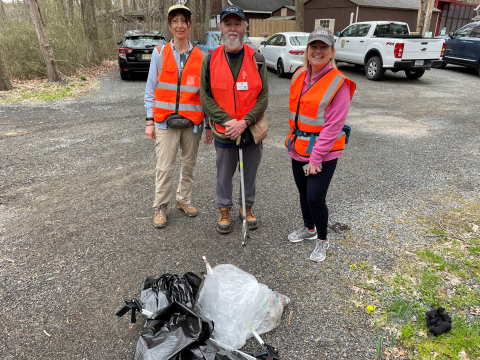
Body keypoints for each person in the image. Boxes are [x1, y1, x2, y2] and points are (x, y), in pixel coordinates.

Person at [285, 27, 356, 262]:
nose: (317, 51)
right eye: (313, 46)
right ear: (307, 50)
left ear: (332, 51)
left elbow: (333, 126)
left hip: (323, 152)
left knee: (315, 197)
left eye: (323, 47)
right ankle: (309, 229)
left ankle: (323, 239)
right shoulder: (299, 76)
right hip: (298, 146)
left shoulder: (339, 83)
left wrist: (315, 158)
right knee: (303, 192)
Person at [200, 5, 268, 234]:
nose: (232, 28)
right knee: (224, 175)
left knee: (249, 172)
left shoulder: (257, 58)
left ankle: (246, 208)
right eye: (228, 24)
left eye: (237, 24)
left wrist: (245, 121)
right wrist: (228, 121)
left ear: (244, 28)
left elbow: (263, 97)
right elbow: (205, 97)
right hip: (225, 131)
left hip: (251, 129)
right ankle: (224, 209)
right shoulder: (210, 60)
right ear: (220, 27)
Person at [144, 4, 213, 228]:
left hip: (193, 123)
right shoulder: (160, 53)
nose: (180, 25)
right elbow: (151, 89)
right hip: (165, 121)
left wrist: (209, 125)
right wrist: (149, 121)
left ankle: (183, 200)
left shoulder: (202, 56)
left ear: (190, 25)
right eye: (175, 21)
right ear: (170, 25)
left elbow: (207, 94)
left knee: (189, 165)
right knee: (165, 167)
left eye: (184, 20)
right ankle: (161, 207)